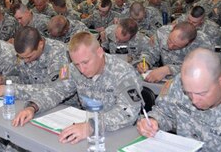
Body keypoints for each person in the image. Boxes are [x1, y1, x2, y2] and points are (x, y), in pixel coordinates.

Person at [12, 31, 142, 143]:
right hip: (88, 133)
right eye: (77, 64)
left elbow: (128, 112)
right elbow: (55, 89)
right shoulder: (72, 69)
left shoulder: (123, 72)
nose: (82, 69)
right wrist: (32, 107)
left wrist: (91, 126)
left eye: (85, 62)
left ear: (100, 52)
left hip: (119, 134)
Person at [137, 48, 221, 151]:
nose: (194, 101)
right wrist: (153, 121)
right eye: (188, 93)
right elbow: (164, 113)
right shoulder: (179, 83)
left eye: (201, 93)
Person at [136, 22, 213, 83]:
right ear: (172, 29)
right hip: (163, 81)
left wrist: (169, 69)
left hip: (188, 84)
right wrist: (145, 62)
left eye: (176, 46)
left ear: (189, 43)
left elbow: (202, 69)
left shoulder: (203, 43)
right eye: (169, 40)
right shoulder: (162, 32)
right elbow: (150, 52)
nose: (170, 46)